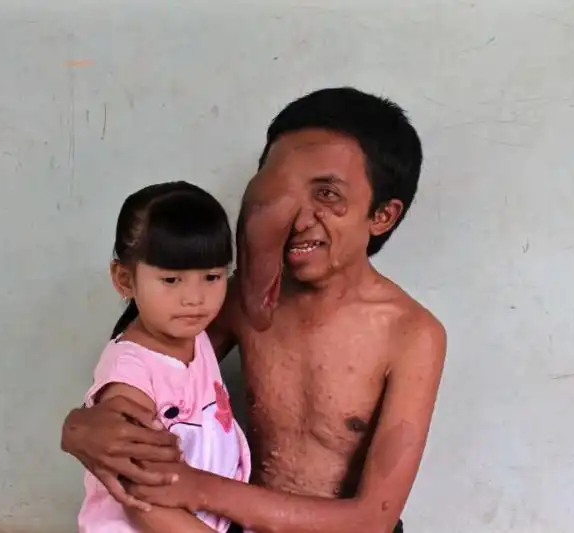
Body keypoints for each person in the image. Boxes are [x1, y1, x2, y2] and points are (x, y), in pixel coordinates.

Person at [61, 87, 447, 533]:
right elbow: (142, 368)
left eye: (327, 194)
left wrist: (199, 489)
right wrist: (79, 427)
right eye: (282, 193)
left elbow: (371, 519)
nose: (298, 219)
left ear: (382, 215)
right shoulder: (241, 298)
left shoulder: (412, 334)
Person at [76, 181, 251, 533]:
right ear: (125, 279)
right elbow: (143, 501)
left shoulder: (195, 335)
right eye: (171, 280)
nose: (195, 298)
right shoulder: (130, 374)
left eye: (212, 277)